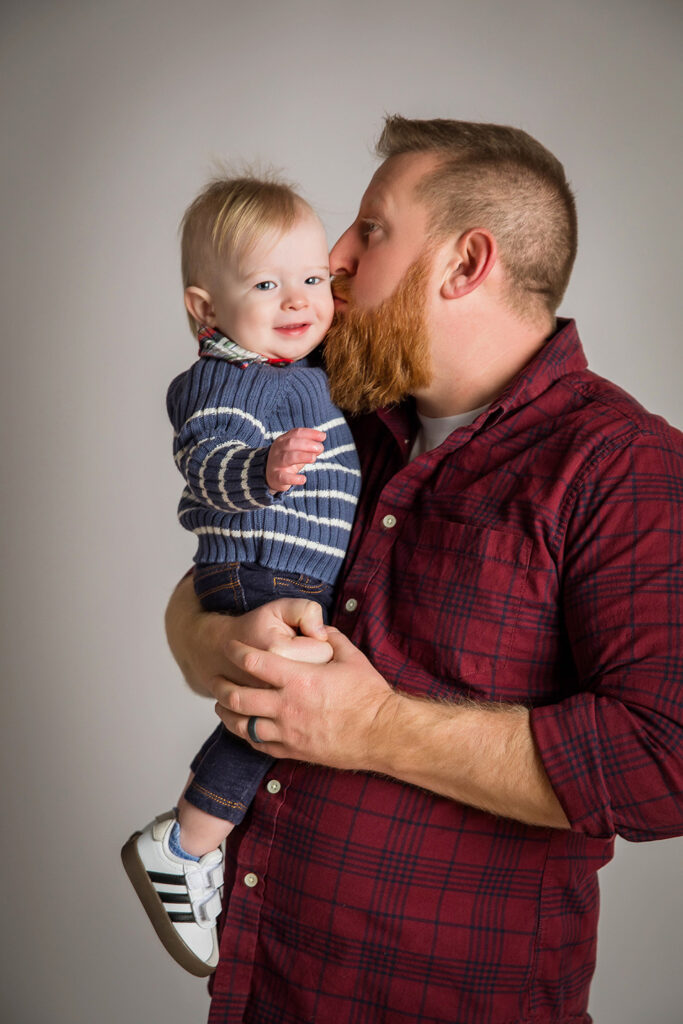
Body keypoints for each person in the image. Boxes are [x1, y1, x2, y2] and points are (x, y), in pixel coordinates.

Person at [165, 118, 683, 1023]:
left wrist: (376, 727)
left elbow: (664, 759)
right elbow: (204, 583)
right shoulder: (337, 409)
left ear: (464, 262)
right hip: (262, 987)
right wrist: (216, 635)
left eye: (370, 228)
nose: (332, 257)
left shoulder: (620, 464)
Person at [121, 174, 361, 977]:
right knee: (287, 705)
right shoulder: (223, 380)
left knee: (288, 713)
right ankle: (186, 842)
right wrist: (260, 466)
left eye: (312, 279)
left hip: (287, 577)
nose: (298, 299)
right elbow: (206, 463)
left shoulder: (304, 367)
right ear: (205, 309)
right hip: (248, 568)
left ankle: (201, 839)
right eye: (266, 284)